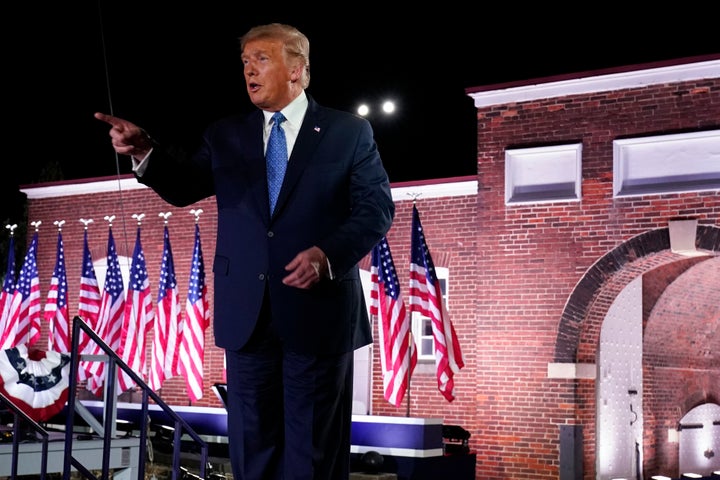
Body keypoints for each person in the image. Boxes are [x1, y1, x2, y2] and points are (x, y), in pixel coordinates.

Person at [95, 23, 395, 480]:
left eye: (261, 59)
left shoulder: (347, 132)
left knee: (311, 456)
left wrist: (328, 256)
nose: (248, 70)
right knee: (253, 451)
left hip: (319, 315)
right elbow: (185, 186)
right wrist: (146, 153)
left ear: (298, 69)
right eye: (244, 62)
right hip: (248, 319)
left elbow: (376, 210)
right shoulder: (226, 134)